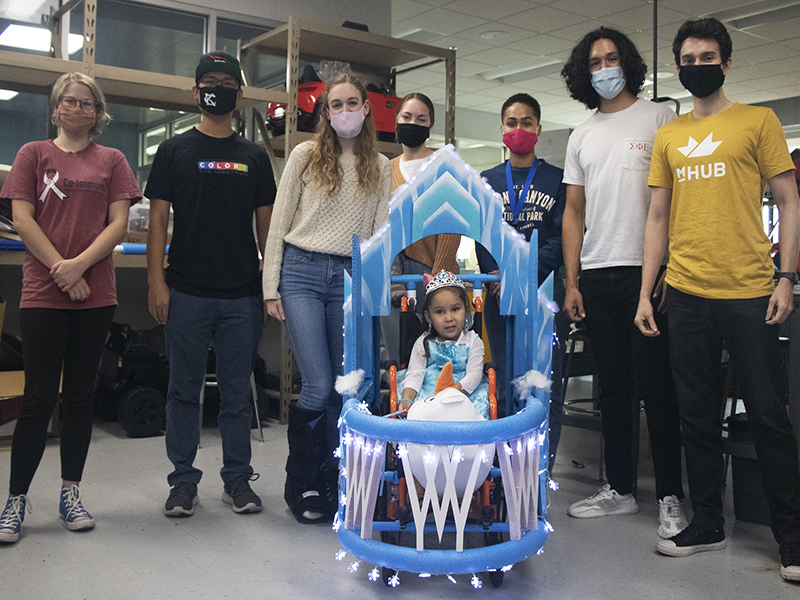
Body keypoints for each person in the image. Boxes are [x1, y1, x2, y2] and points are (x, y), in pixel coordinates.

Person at [634, 18, 800, 580]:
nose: (696, 65)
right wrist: (645, 294)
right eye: (688, 57)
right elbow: (658, 216)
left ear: (726, 63)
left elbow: (788, 199)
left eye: (707, 56)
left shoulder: (759, 121)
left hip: (751, 291)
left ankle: (792, 538)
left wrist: (786, 276)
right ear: (677, 65)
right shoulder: (669, 134)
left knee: (770, 417)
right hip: (685, 294)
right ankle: (707, 522)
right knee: (696, 417)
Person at [0, 73, 140, 543]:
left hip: (95, 293)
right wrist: (61, 268)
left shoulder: (113, 160)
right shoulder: (32, 155)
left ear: (98, 113)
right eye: (67, 100)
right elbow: (21, 218)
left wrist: (79, 267)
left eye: (85, 103)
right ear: (55, 107)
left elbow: (119, 223)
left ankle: (70, 493)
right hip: (43, 291)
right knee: (39, 399)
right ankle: (16, 499)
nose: (75, 108)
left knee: (80, 397)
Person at [560, 28, 686, 537]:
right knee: (612, 386)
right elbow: (573, 211)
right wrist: (572, 281)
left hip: (648, 274)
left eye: (612, 58)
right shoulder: (581, 134)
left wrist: (669, 268)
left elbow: (677, 199)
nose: (605, 67)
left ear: (628, 63)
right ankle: (619, 490)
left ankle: (672, 495)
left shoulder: (660, 118)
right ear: (584, 72)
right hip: (598, 272)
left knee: (658, 388)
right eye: (595, 62)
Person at [145, 51, 276, 518]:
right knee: (183, 390)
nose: (218, 87)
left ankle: (237, 480)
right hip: (186, 290)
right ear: (195, 90)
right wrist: (156, 281)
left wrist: (268, 285)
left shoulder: (254, 156)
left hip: (242, 293)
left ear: (239, 96)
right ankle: (182, 482)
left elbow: (268, 229)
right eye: (210, 80)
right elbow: (157, 219)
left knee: (237, 393)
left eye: (227, 81)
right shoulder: (173, 150)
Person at [262, 71, 391, 524]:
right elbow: (278, 224)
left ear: (365, 107)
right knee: (317, 383)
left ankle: (335, 478)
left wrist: (372, 292)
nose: (343, 112)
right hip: (300, 271)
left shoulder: (382, 166)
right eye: (335, 105)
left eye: (351, 102)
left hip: (350, 278)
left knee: (345, 385)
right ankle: (301, 481)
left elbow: (377, 237)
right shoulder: (304, 155)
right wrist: (269, 286)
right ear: (325, 113)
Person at [475, 93, 567, 467]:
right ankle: (507, 464)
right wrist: (496, 275)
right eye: (512, 123)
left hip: (543, 293)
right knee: (507, 377)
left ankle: (542, 466)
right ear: (501, 129)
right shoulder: (486, 180)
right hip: (498, 295)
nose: (519, 129)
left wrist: (521, 274)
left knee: (545, 383)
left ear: (538, 129)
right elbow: (480, 234)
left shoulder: (557, 179)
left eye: (526, 122)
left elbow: (561, 239)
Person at [384, 92, 460, 360]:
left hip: (430, 270)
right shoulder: (386, 169)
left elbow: (451, 230)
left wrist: (438, 282)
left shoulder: (445, 166)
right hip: (392, 274)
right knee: (401, 360)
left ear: (430, 126)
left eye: (421, 118)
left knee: (433, 359)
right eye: (406, 117)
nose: (412, 123)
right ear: (396, 121)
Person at [399, 270, 489, 419]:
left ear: (466, 310)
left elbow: (475, 374)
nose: (449, 318)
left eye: (455, 309)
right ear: (429, 316)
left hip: (464, 392)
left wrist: (453, 390)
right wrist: (407, 398)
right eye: (440, 312)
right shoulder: (423, 342)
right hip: (430, 393)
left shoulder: (473, 341)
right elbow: (415, 374)